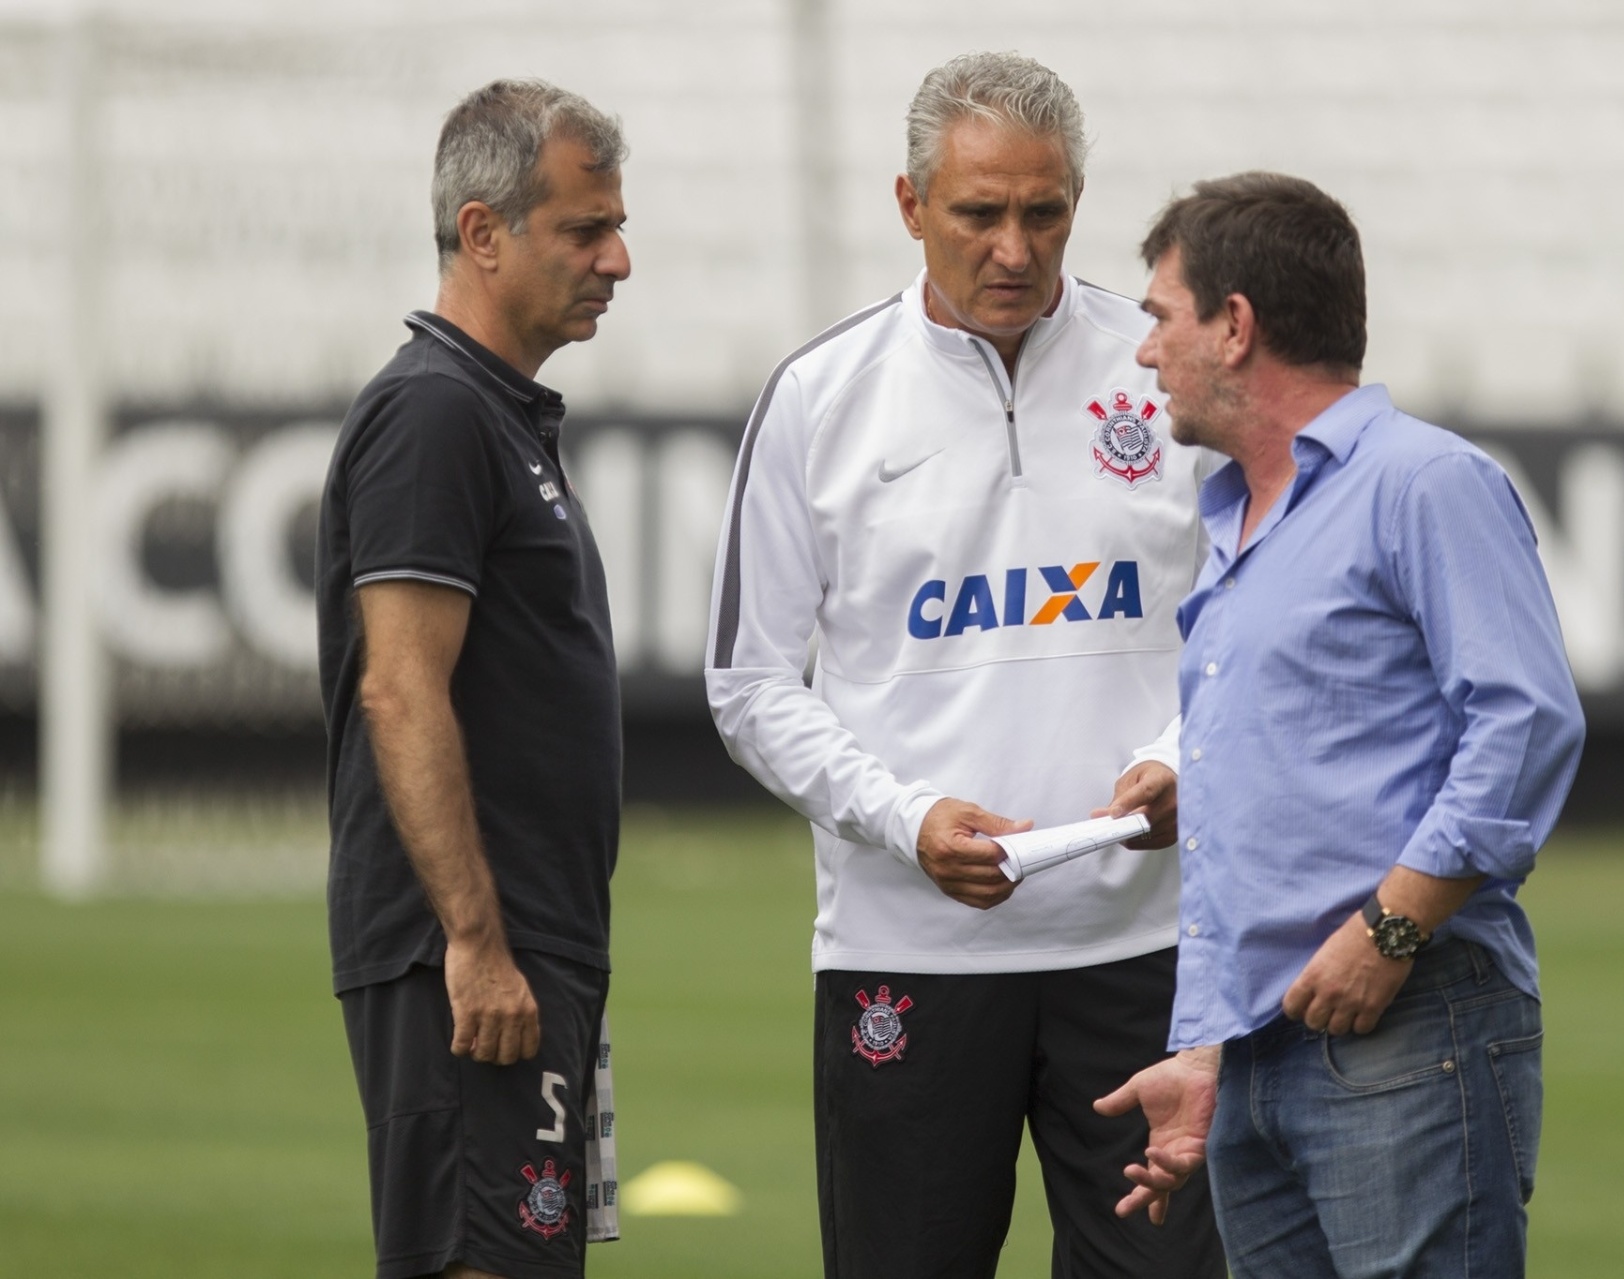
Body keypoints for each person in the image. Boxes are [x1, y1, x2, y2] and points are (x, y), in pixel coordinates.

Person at [706, 51, 1227, 1279]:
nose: (1014, 246)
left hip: (1142, 951)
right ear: (908, 206)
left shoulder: (1164, 377)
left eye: (1043, 213)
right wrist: (905, 817)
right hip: (909, 953)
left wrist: (1174, 761)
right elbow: (749, 682)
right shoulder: (819, 398)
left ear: (1077, 206)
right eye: (977, 213)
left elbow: (1245, 633)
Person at [1094, 173, 1585, 1277]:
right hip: (1261, 1057)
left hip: (1411, 1020)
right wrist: (1209, 1052)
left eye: (1159, 317)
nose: (1142, 352)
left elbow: (1526, 722)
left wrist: (1391, 928)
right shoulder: (1232, 513)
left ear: (1234, 326)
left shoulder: (1424, 481)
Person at [316, 79, 631, 1279]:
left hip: (528, 942)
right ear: (483, 234)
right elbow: (399, 688)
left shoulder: (492, 414)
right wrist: (476, 940)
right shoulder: (436, 412)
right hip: (471, 959)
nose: (619, 258)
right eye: (584, 230)